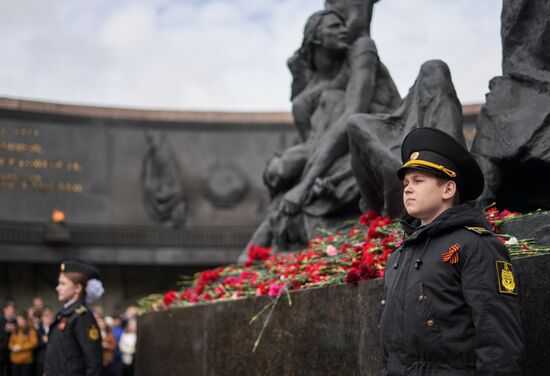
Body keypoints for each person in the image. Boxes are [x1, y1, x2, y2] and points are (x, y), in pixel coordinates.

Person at [379, 127, 524, 375]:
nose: (407, 188)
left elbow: (497, 343)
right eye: (406, 183)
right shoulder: (398, 256)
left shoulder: (477, 246)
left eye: (418, 181)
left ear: (448, 189)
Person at [44, 260, 104, 376]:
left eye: (63, 283)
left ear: (77, 288)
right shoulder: (65, 314)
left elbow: (93, 362)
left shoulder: (82, 316)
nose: (57, 288)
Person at [34, 307, 53, 376]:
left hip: (53, 359)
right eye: (46, 315)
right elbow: (34, 343)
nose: (48, 317)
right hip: (41, 359)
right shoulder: (37, 330)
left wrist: (49, 340)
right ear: (42, 317)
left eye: (50, 315)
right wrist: (43, 341)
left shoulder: (55, 329)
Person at [1, 301, 16, 376]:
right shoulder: (0, 320)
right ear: (4, 310)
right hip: (1, 349)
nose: (10, 311)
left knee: (10, 370)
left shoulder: (15, 320)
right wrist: (5, 330)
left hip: (12, 349)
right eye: (8, 309)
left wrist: (14, 330)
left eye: (12, 309)